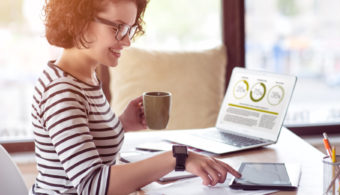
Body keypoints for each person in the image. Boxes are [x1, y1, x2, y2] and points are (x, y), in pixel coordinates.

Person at [30, 0, 241, 194]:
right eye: (118, 28)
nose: (127, 41)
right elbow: (92, 185)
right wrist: (177, 157)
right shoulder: (61, 92)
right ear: (79, 21)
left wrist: (122, 124)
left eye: (129, 29)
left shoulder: (84, 78)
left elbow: (87, 145)